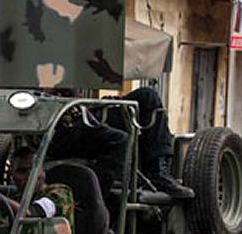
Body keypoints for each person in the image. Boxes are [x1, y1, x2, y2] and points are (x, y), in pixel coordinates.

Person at [49, 86, 194, 201]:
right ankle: (97, 202)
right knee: (119, 139)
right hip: (58, 123)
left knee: (148, 96)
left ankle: (157, 172)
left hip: (84, 112)